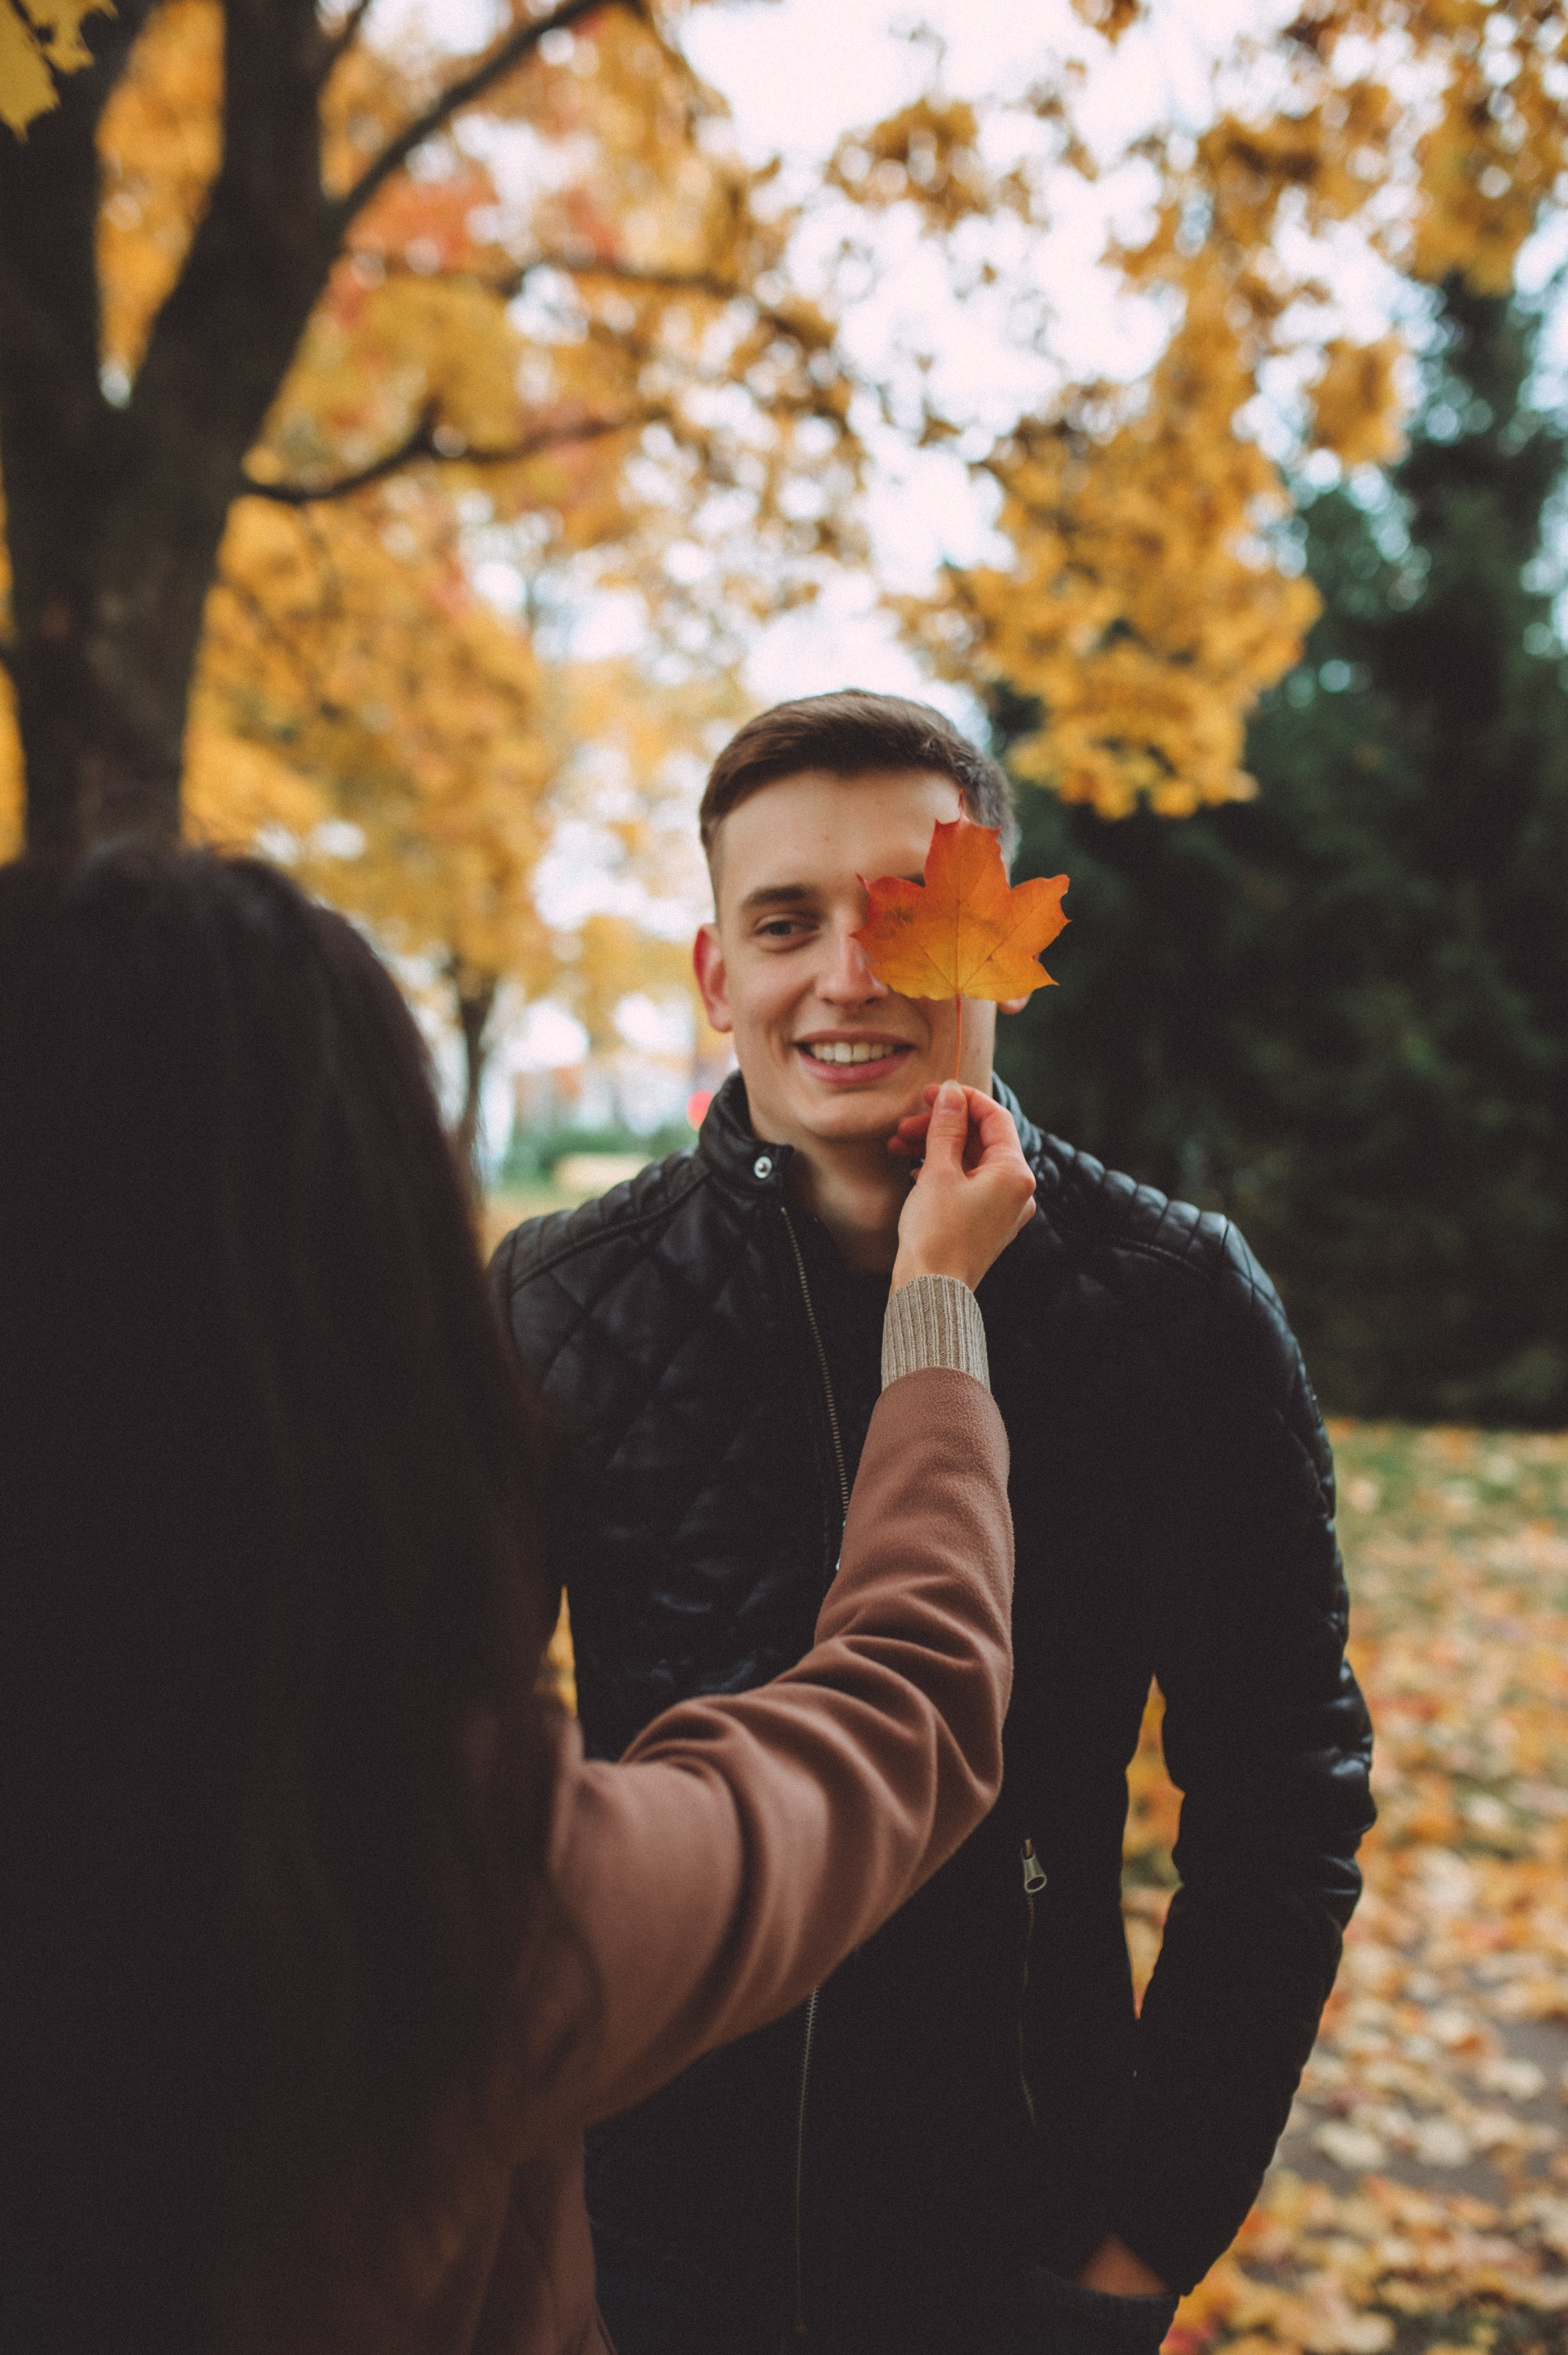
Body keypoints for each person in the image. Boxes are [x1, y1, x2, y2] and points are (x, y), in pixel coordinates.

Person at [0, 844, 1036, 2355]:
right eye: (784, 926)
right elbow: (907, 1704)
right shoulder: (457, 1911)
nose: (851, 974)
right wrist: (937, 1307)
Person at [492, 689, 1379, 2355]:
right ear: (713, 977)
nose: (850, 974)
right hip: (639, 2254)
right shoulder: (557, 1303)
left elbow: (1283, 1796)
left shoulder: (1177, 1305)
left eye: (907, 914)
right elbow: (427, 1779)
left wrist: (1141, 2245)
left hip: (1018, 2241)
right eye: (786, 923)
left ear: (993, 946)